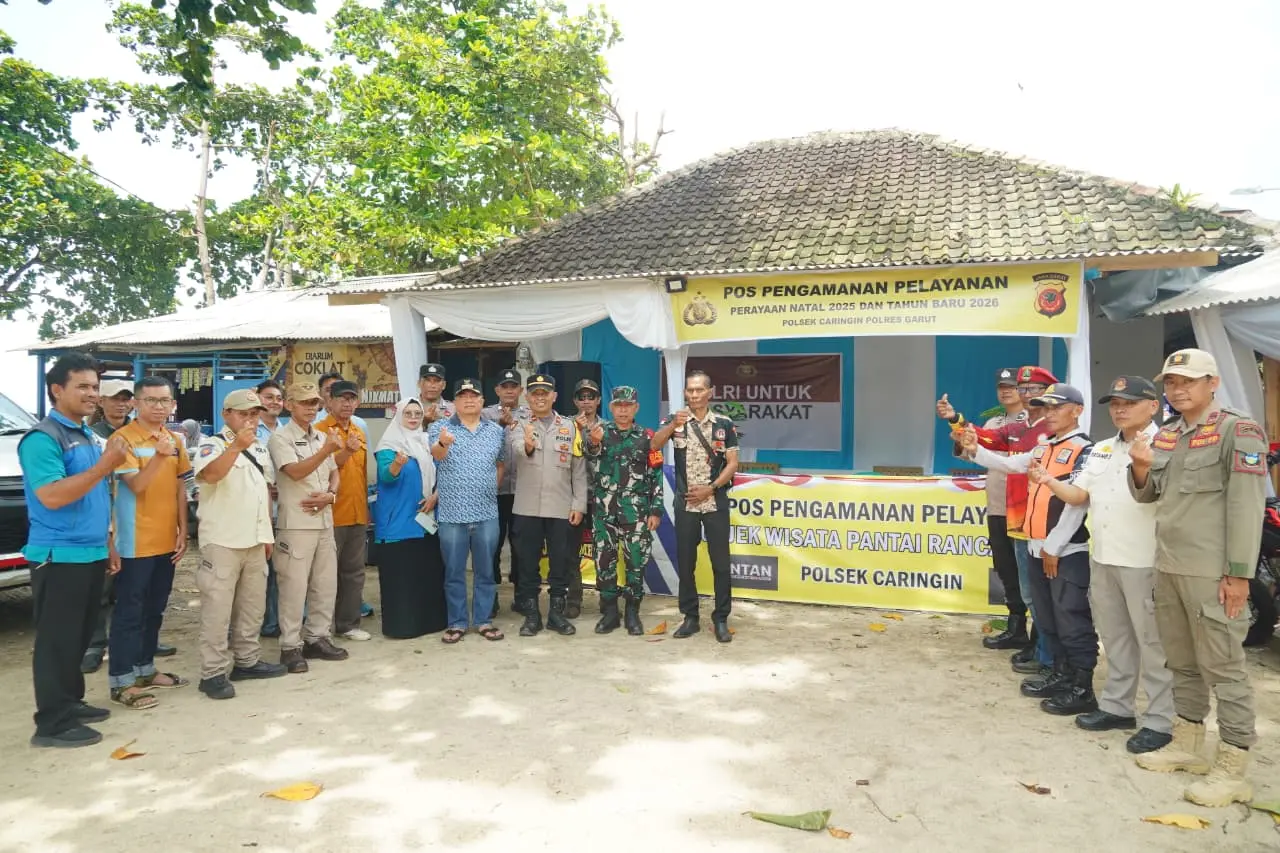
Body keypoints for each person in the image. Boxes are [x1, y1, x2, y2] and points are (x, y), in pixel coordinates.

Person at [1128, 348, 1267, 807]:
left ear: (1213, 383)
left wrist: (1240, 576)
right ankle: (1188, 745)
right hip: (1169, 567)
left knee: (1224, 669)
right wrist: (1142, 466)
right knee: (1181, 662)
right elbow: (1150, 497)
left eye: (1187, 381)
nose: (1178, 389)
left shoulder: (1237, 430)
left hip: (1213, 575)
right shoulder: (1167, 435)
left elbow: (1247, 508)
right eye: (1171, 383)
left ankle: (1233, 765)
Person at [1029, 376, 1174, 753]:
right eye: (1115, 403)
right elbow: (1080, 495)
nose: (1120, 409)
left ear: (1153, 406)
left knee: (1153, 643)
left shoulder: (1167, 444)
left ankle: (1160, 720)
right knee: (1116, 638)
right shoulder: (1104, 448)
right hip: (1105, 557)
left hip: (1146, 560)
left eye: (1130, 402)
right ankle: (1117, 706)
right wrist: (1047, 480)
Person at [963, 384, 1098, 715]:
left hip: (1065, 551)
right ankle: (1060, 674)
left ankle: (1082, 686)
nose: (1048, 414)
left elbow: (1077, 506)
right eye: (1045, 408)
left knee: (1072, 621)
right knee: (1047, 617)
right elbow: (1009, 464)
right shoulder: (1044, 447)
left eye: (1056, 408)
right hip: (1037, 546)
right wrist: (974, 449)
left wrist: (1053, 546)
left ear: (1077, 411)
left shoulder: (1084, 449)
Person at [23, 353, 126, 747]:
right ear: (57, 390)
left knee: (81, 636)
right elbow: (51, 496)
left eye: (94, 387)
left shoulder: (84, 434)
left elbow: (96, 496)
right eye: (82, 386)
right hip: (58, 555)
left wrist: (108, 542)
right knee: (57, 641)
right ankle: (52, 723)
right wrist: (105, 466)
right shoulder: (43, 439)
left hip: (90, 551)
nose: (92, 394)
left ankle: (71, 702)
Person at [946, 365, 1058, 674]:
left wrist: (977, 447)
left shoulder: (1053, 432)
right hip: (1009, 509)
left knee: (1038, 587)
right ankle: (1029, 638)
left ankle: (1044, 649)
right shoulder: (1014, 428)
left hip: (1039, 516)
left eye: (1034, 393)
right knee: (1018, 578)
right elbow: (988, 443)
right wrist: (957, 422)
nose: (1026, 397)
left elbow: (1011, 462)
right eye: (1024, 392)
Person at [191, 390, 287, 700]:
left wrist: (267, 537)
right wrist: (236, 446)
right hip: (223, 541)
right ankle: (213, 672)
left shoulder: (258, 448)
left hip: (255, 540)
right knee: (217, 610)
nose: (250, 419)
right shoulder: (212, 445)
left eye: (255, 414)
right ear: (226, 414)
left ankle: (247, 661)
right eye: (244, 413)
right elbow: (211, 475)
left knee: (252, 606)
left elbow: (264, 494)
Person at [108, 376, 192, 709]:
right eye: (152, 400)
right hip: (134, 542)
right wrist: (158, 456)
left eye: (165, 401)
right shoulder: (122, 440)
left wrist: (183, 529)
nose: (159, 407)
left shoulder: (175, 439)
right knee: (130, 612)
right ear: (136, 404)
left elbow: (180, 487)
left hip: (165, 541)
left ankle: (145, 670)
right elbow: (138, 486)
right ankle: (122, 681)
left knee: (155, 610)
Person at [936, 368, 1028, 650]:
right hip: (997, 505)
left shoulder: (1033, 421)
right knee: (1005, 567)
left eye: (1012, 386)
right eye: (1002, 386)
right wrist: (955, 426)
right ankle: (1016, 627)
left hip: (1023, 507)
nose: (1006, 390)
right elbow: (973, 453)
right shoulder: (993, 421)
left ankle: (1039, 636)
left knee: (1028, 573)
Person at [651, 369, 739, 643]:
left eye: (699, 390)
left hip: (715, 501)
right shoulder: (675, 420)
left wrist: (710, 489)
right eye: (690, 390)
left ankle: (721, 618)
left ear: (710, 392)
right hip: (686, 503)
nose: (694, 394)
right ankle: (690, 617)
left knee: (721, 563)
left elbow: (734, 464)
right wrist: (671, 425)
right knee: (686, 561)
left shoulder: (724, 424)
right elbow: (653, 446)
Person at [268, 381, 348, 673]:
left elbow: (334, 472)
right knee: (293, 588)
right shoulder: (281, 438)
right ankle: (290, 646)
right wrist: (327, 449)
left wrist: (332, 494)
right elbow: (295, 471)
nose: (310, 408)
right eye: (304, 403)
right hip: (296, 524)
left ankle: (317, 637)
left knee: (325, 584)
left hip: (324, 520)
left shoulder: (320, 436)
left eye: (314, 402)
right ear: (289, 405)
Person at [508, 373, 587, 637]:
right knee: (528, 563)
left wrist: (579, 504)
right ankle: (531, 615)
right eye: (534, 393)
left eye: (545, 393)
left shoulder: (570, 427)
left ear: (554, 396)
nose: (540, 397)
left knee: (560, 563)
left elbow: (578, 469)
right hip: (527, 507)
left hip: (561, 506)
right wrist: (529, 443)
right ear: (527, 397)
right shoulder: (518, 425)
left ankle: (556, 613)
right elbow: (519, 449)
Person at [428, 377, 506, 644]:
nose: (469, 400)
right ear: (455, 402)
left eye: (474, 395)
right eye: (463, 396)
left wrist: (488, 489)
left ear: (482, 401)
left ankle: (483, 621)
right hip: (452, 515)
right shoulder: (440, 427)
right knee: (454, 571)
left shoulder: (496, 431)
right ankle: (457, 622)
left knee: (486, 571)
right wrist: (444, 443)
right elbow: (436, 455)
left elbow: (500, 464)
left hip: (486, 513)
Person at [586, 386, 662, 635]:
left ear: (636, 408)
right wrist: (594, 443)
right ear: (610, 407)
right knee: (604, 561)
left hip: (636, 512)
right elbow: (589, 457)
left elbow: (655, 475)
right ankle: (609, 612)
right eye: (618, 405)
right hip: (604, 511)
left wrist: (656, 510)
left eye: (627, 405)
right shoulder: (599, 433)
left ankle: (632, 612)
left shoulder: (647, 437)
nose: (622, 410)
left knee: (636, 562)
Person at [373, 398, 447, 638]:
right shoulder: (388, 445)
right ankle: (403, 628)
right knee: (402, 578)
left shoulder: (426, 442)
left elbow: (441, 474)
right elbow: (386, 478)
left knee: (426, 574)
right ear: (399, 416)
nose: (414, 418)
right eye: (408, 414)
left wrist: (435, 497)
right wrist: (397, 464)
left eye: (417, 413)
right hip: (398, 524)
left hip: (426, 521)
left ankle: (430, 623)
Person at [81, 377, 134, 674]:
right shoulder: (90, 435)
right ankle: (95, 643)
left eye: (126, 398)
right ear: (101, 401)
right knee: (102, 585)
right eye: (114, 398)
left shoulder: (140, 433)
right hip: (104, 517)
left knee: (133, 583)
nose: (121, 403)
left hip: (136, 517)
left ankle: (132, 638)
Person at [316, 380, 371, 642]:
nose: (347, 403)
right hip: (331, 513)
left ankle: (348, 624)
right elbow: (323, 469)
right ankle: (322, 627)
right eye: (341, 398)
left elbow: (361, 474)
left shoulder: (359, 432)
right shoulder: (319, 431)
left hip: (357, 511)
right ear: (329, 401)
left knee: (354, 571)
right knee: (325, 574)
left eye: (351, 398)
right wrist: (345, 452)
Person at [481, 368, 529, 601]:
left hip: (523, 491)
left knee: (522, 545)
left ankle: (521, 595)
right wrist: (499, 426)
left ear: (521, 390)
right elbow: (478, 444)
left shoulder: (531, 415)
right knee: (492, 544)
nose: (509, 391)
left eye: (514, 386)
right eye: (505, 386)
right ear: (497, 390)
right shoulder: (484, 415)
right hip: (494, 491)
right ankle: (491, 598)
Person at [567, 378, 607, 618]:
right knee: (570, 550)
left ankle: (606, 599)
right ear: (574, 401)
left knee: (604, 550)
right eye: (581, 397)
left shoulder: (608, 427)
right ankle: (573, 599)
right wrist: (579, 432)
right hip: (573, 497)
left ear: (598, 401)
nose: (586, 401)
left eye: (590, 397)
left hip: (602, 498)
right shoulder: (566, 426)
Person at [254, 379, 288, 639]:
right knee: (260, 572)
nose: (275, 402)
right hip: (258, 512)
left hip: (285, 511)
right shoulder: (251, 431)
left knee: (282, 570)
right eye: (269, 397)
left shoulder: (285, 431)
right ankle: (264, 622)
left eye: (278, 398)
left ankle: (275, 621)